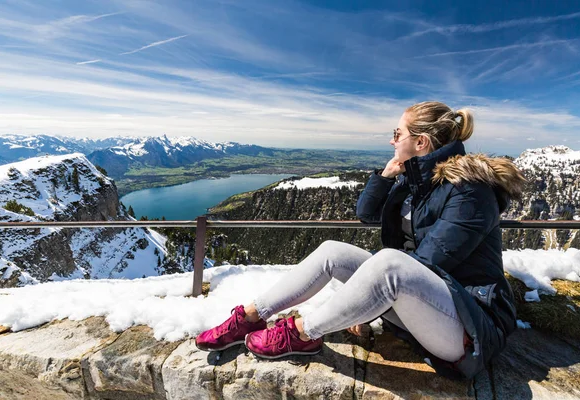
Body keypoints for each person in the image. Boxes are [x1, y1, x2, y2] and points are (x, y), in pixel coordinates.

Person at [195, 101, 525, 379]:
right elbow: (367, 213)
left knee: (389, 262)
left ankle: (303, 332)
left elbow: (427, 263)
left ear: (421, 142)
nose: (393, 141)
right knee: (331, 252)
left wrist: (362, 305)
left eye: (398, 134)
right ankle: (250, 317)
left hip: (470, 328)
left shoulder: (470, 190)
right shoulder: (417, 181)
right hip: (422, 308)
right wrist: (385, 176)